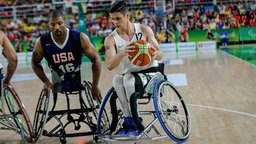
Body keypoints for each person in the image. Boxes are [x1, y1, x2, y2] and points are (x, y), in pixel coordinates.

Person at [104, 1, 163, 136]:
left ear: (127, 16)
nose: (114, 22)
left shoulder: (144, 30)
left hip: (150, 74)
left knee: (128, 80)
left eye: (118, 18)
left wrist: (154, 53)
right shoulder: (111, 39)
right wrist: (122, 52)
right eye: (112, 19)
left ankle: (136, 122)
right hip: (130, 75)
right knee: (117, 80)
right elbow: (109, 65)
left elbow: (161, 54)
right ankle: (128, 119)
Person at [31, 9, 102, 100]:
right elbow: (34, 62)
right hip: (57, 80)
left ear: (65, 23)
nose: (56, 27)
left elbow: (95, 58)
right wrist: (45, 81)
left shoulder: (80, 37)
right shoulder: (42, 42)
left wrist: (95, 85)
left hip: (76, 76)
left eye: (60, 23)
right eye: (53, 24)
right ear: (49, 25)